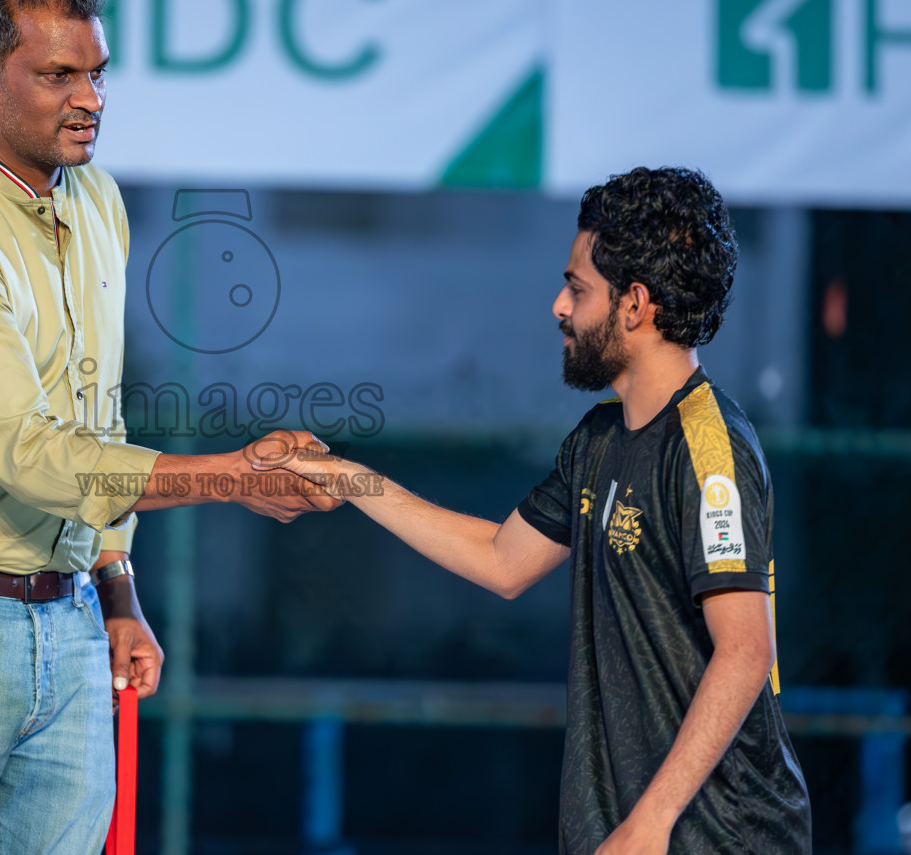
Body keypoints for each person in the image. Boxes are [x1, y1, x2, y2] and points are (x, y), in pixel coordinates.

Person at [0, 0, 336, 855]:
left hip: (65, 624)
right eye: (58, 75)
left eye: (97, 72)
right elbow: (30, 453)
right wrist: (230, 476)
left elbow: (94, 420)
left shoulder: (95, 198)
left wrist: (117, 591)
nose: (89, 97)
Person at [271, 167, 811, 854]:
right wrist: (346, 479)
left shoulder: (710, 447)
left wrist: (650, 824)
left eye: (578, 289)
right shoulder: (598, 440)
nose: (559, 306)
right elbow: (501, 560)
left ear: (635, 304)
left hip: (719, 839)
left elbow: (745, 650)